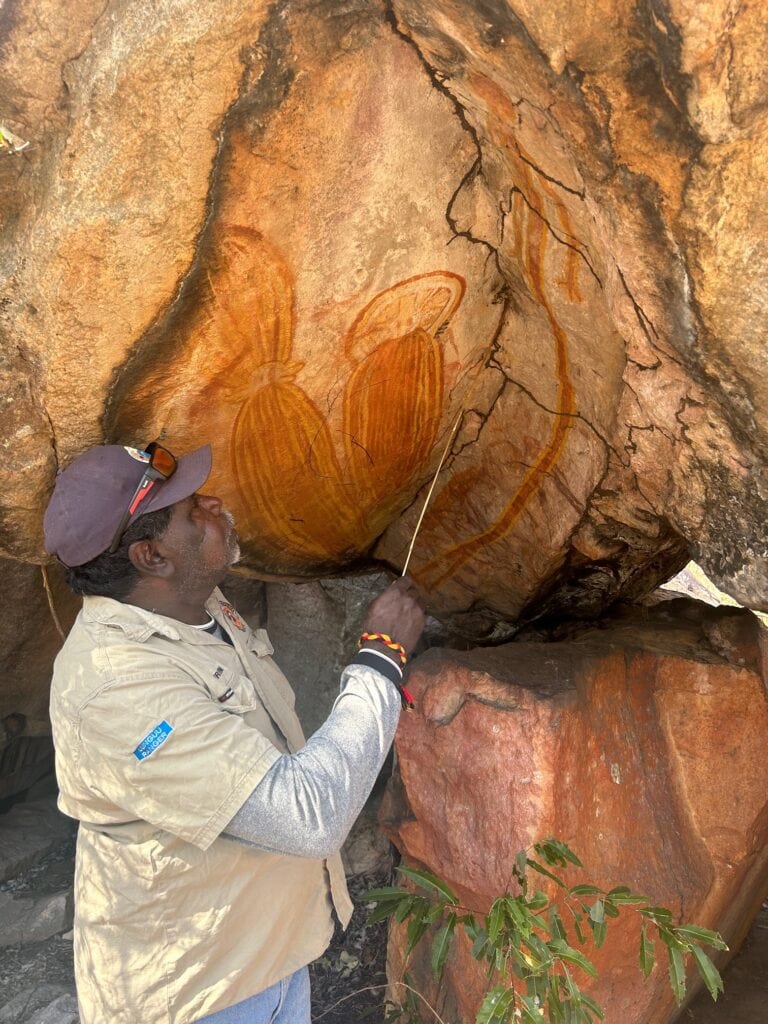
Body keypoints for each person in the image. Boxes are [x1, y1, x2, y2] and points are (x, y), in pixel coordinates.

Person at [43, 441, 425, 1024]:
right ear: (152, 557)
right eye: (192, 509)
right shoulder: (116, 688)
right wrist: (380, 658)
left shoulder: (196, 604)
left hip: (268, 955)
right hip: (197, 992)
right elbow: (306, 816)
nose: (214, 503)